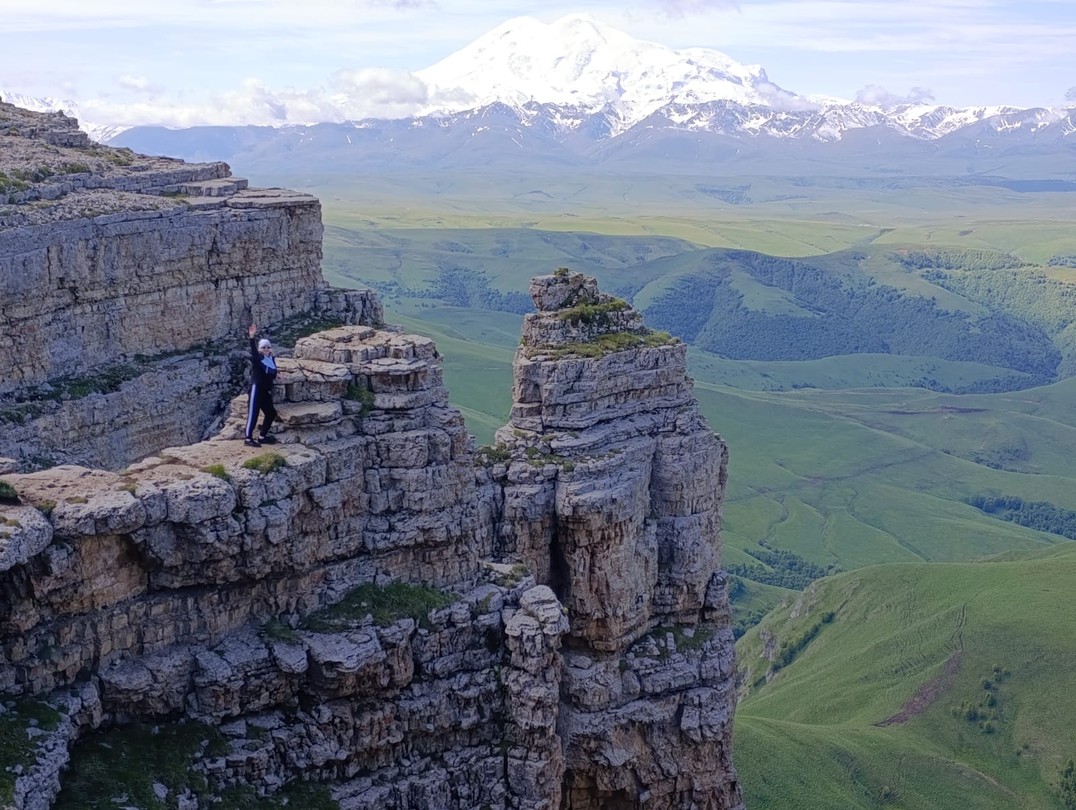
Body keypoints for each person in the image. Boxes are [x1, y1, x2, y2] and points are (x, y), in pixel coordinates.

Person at [244, 323, 278, 446]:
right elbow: (253, 351)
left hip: (265, 391)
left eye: (267, 347)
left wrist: (278, 375)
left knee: (271, 413)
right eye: (263, 347)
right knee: (253, 413)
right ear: (260, 349)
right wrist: (252, 337)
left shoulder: (271, 359)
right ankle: (248, 439)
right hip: (256, 389)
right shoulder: (258, 358)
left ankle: (262, 436)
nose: (266, 349)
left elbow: (273, 373)